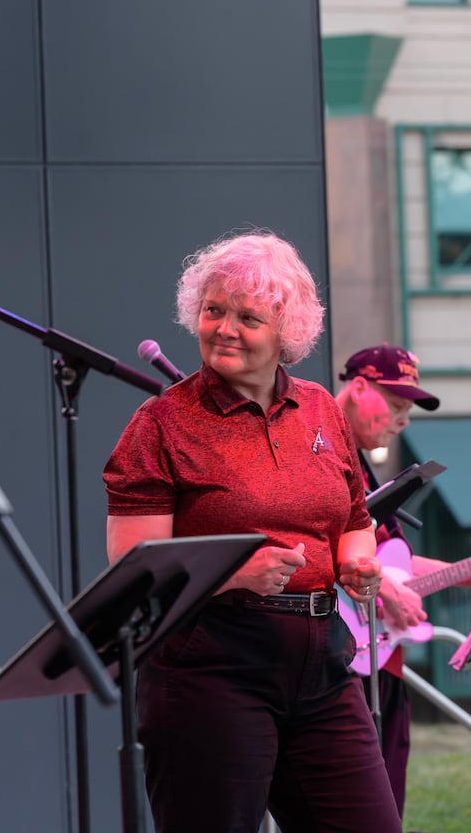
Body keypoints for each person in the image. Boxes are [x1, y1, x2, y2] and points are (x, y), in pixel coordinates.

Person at [103, 232, 402, 833]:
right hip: (210, 665)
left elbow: (354, 521)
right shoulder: (161, 423)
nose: (225, 328)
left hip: (321, 658)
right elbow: (134, 567)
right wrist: (234, 574)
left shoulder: (320, 409)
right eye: (214, 310)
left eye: (248, 317)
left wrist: (357, 563)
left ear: (285, 331)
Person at [337, 344, 471, 817]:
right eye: (396, 406)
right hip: (342, 662)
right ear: (358, 388)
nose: (403, 420)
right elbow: (322, 544)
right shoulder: (324, 453)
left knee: (387, 805)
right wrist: (385, 591)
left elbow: (390, 561)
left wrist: (469, 570)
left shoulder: (364, 465)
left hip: (381, 662)